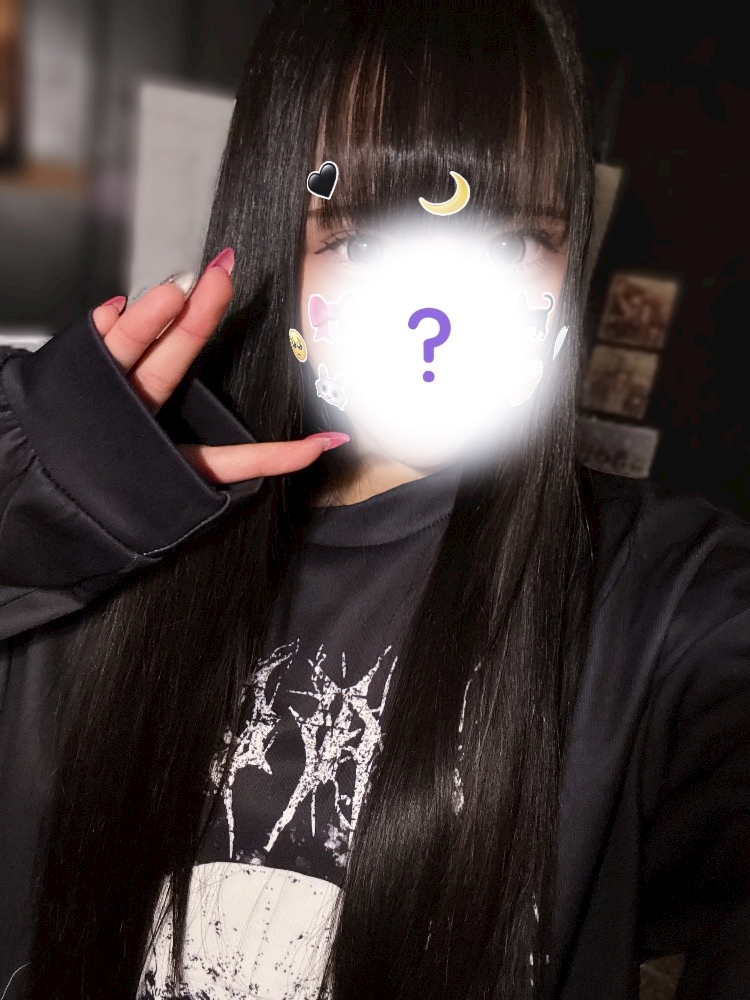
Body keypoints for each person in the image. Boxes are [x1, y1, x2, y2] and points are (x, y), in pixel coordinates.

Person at [0, 2, 749, 999]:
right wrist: (30, 504)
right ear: (276, 232)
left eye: (511, 242)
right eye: (362, 244)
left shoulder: (656, 602)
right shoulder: (98, 520)